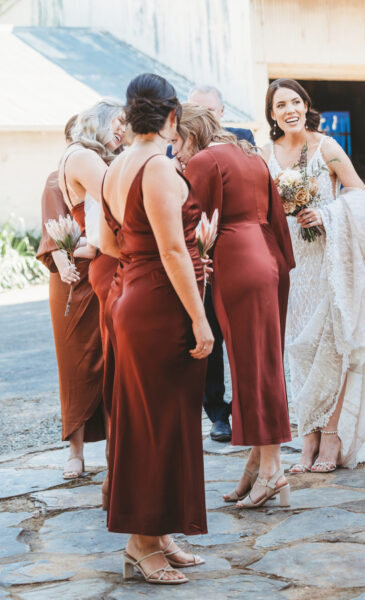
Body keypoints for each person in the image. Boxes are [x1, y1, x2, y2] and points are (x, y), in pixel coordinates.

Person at [100, 74, 213, 585]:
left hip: (133, 297)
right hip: (161, 306)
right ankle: (141, 544)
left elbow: (107, 243)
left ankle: (160, 532)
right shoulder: (160, 168)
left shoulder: (114, 167)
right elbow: (171, 250)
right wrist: (199, 318)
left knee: (157, 420)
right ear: (172, 117)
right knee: (157, 425)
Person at [262, 78, 365, 473]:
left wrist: (326, 214)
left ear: (306, 106)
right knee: (299, 349)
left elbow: (361, 198)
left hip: (327, 262)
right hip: (290, 265)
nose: (289, 110)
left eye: (295, 102)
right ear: (272, 114)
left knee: (333, 346)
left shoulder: (327, 148)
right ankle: (308, 435)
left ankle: (331, 436)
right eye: (280, 105)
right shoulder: (265, 155)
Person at [174, 103, 294, 509]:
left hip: (237, 262)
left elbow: (189, 222)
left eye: (176, 142)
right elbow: (274, 213)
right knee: (262, 364)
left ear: (191, 134)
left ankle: (272, 469)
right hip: (268, 257)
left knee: (253, 369)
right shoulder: (249, 153)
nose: (175, 152)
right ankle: (257, 464)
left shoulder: (204, 161)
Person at [56, 100, 125, 485]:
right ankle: (117, 459)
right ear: (98, 122)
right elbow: (121, 196)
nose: (123, 129)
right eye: (118, 121)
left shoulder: (90, 156)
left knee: (116, 361)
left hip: (108, 257)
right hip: (108, 262)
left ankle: (121, 453)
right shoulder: (82, 156)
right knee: (114, 363)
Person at [37, 113, 107, 481]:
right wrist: (66, 263)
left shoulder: (104, 175)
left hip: (103, 275)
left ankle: (115, 447)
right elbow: (52, 233)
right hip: (70, 279)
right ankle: (75, 451)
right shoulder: (56, 179)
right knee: (73, 367)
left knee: (111, 363)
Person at [187, 85, 256, 442]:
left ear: (222, 112)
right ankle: (216, 412)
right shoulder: (176, 149)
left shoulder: (243, 139)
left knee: (242, 337)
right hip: (199, 258)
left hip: (237, 251)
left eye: (208, 111)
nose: (201, 117)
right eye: (194, 110)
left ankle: (245, 408)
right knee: (208, 336)